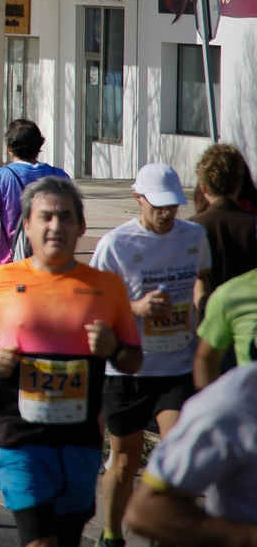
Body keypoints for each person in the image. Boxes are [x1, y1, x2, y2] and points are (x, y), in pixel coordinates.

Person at [0, 176, 143, 547]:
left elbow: (133, 360)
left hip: (79, 433)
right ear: (26, 225)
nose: (56, 226)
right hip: (16, 428)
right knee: (39, 538)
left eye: (65, 217)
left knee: (67, 537)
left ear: (81, 226)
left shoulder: (107, 286)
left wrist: (114, 349)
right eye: (46, 217)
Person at [88, 163, 212, 547]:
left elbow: (201, 278)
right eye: (158, 205)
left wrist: (203, 304)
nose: (166, 213)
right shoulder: (116, 244)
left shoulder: (194, 235)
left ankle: (165, 532)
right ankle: (111, 536)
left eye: (173, 204)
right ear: (137, 198)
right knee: (124, 462)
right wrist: (137, 309)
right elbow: (93, 305)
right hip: (127, 369)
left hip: (177, 364)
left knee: (178, 455)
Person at [125, 361, 257, 546]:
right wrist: (248, 538)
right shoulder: (233, 403)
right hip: (151, 379)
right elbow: (146, 510)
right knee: (123, 460)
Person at [0, 119, 69, 279]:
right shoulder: (60, 176)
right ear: (39, 146)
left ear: (9, 148)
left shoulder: (0, 177)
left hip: (13, 269)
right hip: (54, 268)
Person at [188, 143, 257, 299]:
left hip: (207, 317)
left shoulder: (191, 227)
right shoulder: (252, 225)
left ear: (203, 188)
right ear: (239, 184)